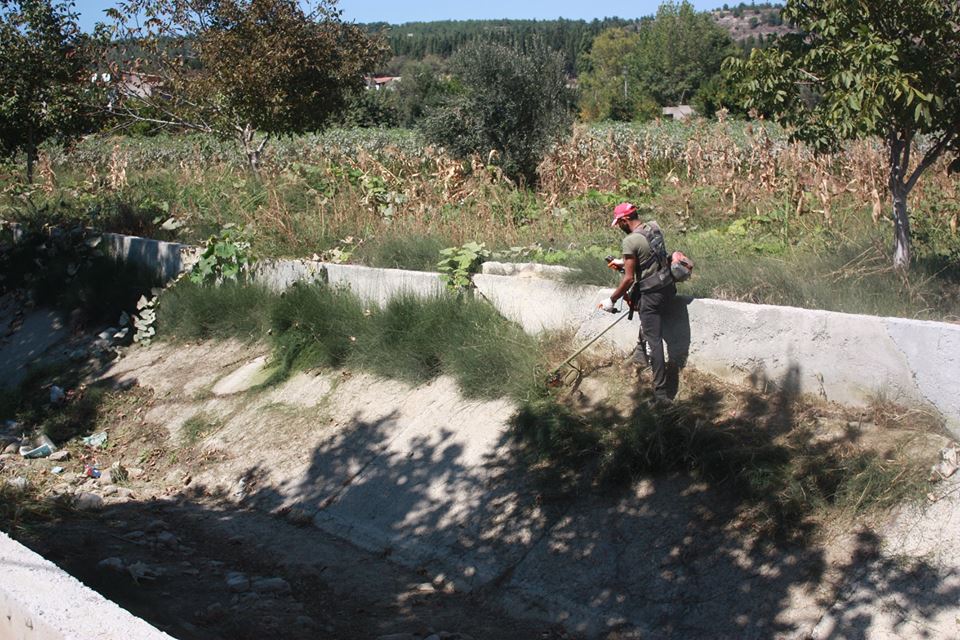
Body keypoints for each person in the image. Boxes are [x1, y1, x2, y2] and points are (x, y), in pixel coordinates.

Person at [599, 202, 677, 403]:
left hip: (650, 296)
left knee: (655, 341)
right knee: (649, 327)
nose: (619, 227)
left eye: (619, 223)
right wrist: (622, 262)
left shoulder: (630, 241)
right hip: (668, 289)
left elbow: (629, 279)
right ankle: (639, 358)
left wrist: (611, 299)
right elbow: (650, 256)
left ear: (625, 220)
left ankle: (661, 394)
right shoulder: (653, 227)